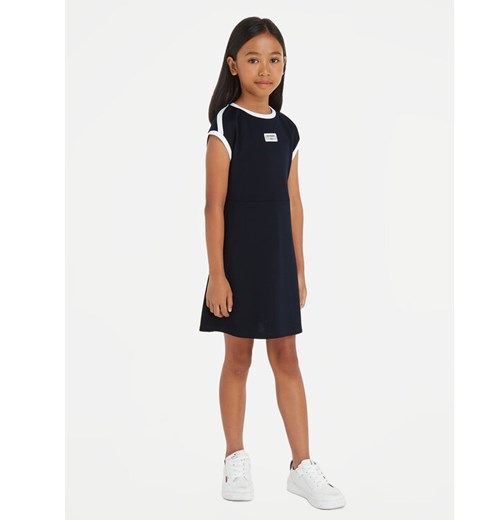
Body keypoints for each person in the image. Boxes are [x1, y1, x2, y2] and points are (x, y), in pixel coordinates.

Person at [198, 16, 346, 510]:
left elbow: (294, 203)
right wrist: (217, 275)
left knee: (287, 358)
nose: (265, 69)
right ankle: (234, 457)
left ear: (285, 65)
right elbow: (213, 206)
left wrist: (299, 269)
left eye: (274, 59)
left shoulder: (288, 130)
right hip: (237, 264)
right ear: (233, 65)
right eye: (253, 59)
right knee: (238, 358)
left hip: (278, 263)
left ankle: (302, 466)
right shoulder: (227, 124)